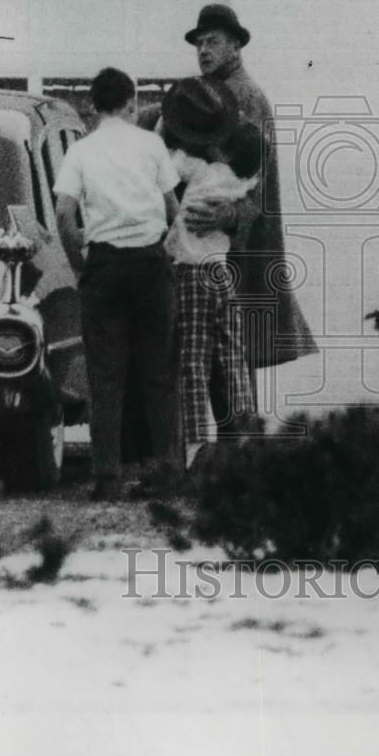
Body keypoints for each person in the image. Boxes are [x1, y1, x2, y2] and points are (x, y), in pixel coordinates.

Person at [182, 4, 318, 416]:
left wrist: (224, 217)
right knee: (226, 365)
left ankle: (236, 463)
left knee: (230, 365)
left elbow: (252, 186)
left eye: (213, 42)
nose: (203, 50)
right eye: (200, 43)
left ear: (236, 46)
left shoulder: (243, 97)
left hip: (235, 253)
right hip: (219, 251)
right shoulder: (217, 94)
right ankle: (234, 460)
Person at [54, 67, 182, 498]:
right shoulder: (151, 145)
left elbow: (63, 217)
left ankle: (107, 476)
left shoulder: (81, 151)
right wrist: (163, 253)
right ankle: (163, 473)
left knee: (106, 376)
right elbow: (172, 208)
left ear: (90, 105)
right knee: (158, 374)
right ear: (131, 104)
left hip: (104, 267)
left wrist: (80, 266)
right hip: (149, 264)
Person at [161, 76, 263, 465]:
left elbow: (167, 167)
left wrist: (160, 135)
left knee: (193, 363)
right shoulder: (241, 180)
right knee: (233, 358)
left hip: (191, 274)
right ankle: (245, 439)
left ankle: (195, 450)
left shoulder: (202, 171)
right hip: (221, 273)